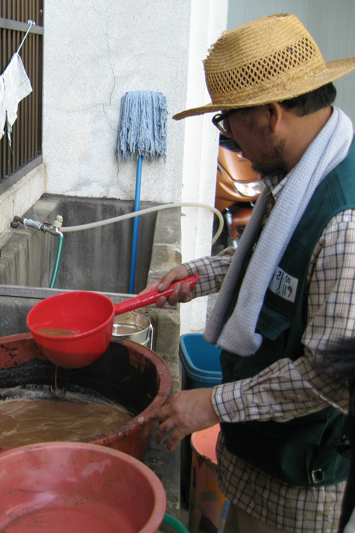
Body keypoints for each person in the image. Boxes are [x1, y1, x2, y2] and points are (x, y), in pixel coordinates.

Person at [144, 13, 355, 533]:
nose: (230, 141)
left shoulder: (344, 221)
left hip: (299, 486)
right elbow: (262, 261)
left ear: (270, 114)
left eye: (227, 122)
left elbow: (329, 377)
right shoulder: (299, 177)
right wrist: (196, 273)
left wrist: (213, 403)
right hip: (257, 462)